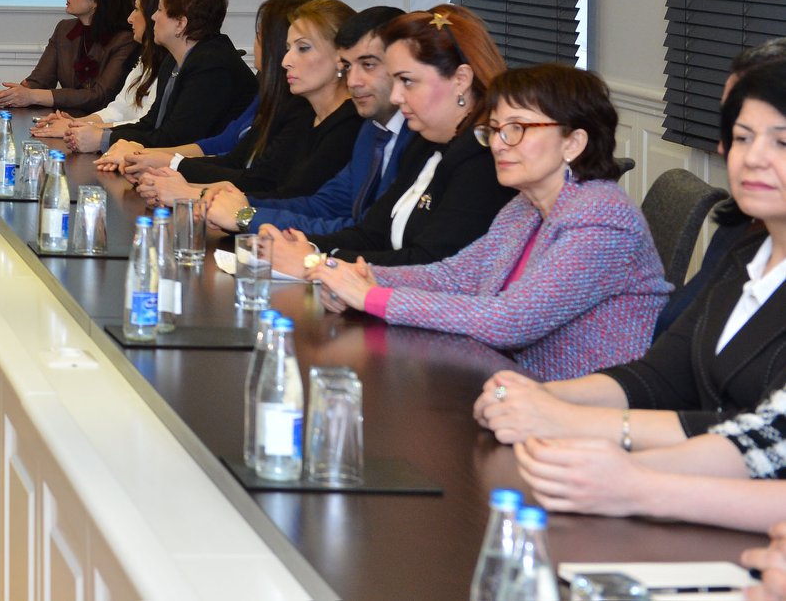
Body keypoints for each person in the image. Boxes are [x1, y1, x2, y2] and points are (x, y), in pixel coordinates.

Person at [493, 65, 786, 533]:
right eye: (742, 138)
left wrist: (594, 443)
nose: (752, 158)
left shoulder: (601, 211)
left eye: (781, 142)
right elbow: (665, 375)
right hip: (706, 512)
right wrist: (541, 399)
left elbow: (766, 438)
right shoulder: (747, 250)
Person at [306, 65, 668, 380]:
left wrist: (371, 297)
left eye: (517, 128)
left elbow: (512, 320)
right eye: (494, 129)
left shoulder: (603, 217)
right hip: (508, 387)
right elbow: (454, 277)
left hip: (575, 412)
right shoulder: (524, 207)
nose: (498, 144)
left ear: (573, 142)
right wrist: (360, 276)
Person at [262, 4, 512, 267]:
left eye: (407, 81)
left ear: (460, 80)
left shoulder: (484, 160)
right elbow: (371, 234)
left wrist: (316, 260)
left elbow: (429, 264)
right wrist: (303, 247)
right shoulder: (423, 145)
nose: (396, 96)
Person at [203, 6, 412, 235]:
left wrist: (244, 216)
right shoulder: (372, 130)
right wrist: (238, 204)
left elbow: (370, 235)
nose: (353, 81)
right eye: (349, 66)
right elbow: (323, 205)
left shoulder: (407, 138)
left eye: (368, 65)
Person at [139, 0, 363, 204]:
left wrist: (190, 193)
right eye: (287, 49)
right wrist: (175, 184)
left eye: (303, 48)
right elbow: (263, 184)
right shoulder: (306, 112)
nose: (286, 61)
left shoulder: (348, 124)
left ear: (341, 57)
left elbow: (292, 201)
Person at [654, 36, 786, 336]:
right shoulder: (740, 225)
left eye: (780, 140)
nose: (725, 148)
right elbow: (683, 331)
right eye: (739, 133)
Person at [95, 0, 256, 160]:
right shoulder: (173, 60)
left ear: (180, 24)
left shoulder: (213, 66)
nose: (153, 17)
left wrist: (104, 140)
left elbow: (175, 139)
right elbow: (150, 124)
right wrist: (99, 134)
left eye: (160, 10)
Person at [37, 0, 187, 142]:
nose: (130, 18)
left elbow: (146, 124)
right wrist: (76, 124)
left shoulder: (169, 63)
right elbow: (118, 109)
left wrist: (83, 128)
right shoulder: (147, 59)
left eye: (136, 9)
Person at [0, 0, 138, 116]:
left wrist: (33, 96)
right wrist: (17, 93)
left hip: (103, 123)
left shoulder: (125, 40)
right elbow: (40, 80)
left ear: (96, 0)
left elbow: (99, 96)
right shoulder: (64, 29)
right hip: (64, 120)